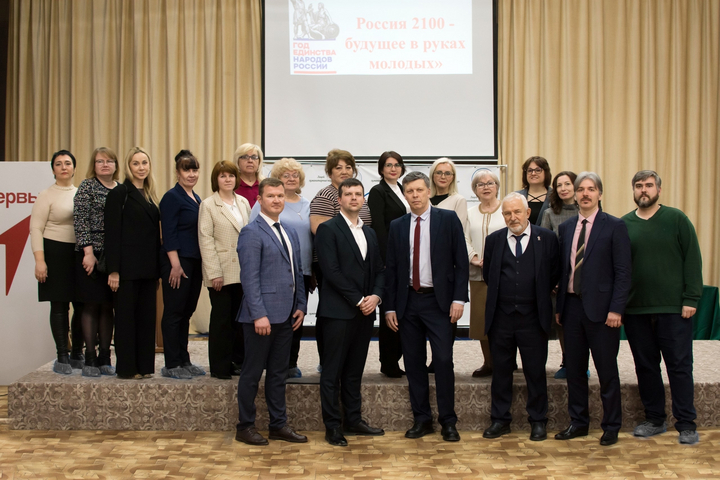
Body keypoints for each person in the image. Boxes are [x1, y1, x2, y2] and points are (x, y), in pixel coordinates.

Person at [384, 171, 468, 443]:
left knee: (443, 360)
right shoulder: (397, 225)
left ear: (428, 191)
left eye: (419, 190)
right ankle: (422, 419)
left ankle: (448, 421)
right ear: (404, 195)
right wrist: (390, 307)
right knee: (413, 362)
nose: (415, 195)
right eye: (410, 191)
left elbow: (461, 261)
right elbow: (392, 268)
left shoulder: (448, 219)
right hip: (408, 302)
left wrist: (459, 298)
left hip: (439, 302)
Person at [622, 170, 703, 445]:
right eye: (638, 185)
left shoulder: (676, 219)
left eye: (648, 185)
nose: (643, 190)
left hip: (674, 309)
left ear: (658, 189)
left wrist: (691, 298)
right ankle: (655, 419)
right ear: (633, 190)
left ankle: (686, 424)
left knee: (679, 366)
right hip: (636, 310)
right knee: (646, 367)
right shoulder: (624, 224)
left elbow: (692, 258)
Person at [554, 172, 631, 446]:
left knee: (607, 371)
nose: (585, 194)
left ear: (599, 194)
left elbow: (623, 272)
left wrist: (616, 309)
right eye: (581, 190)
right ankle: (578, 423)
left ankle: (611, 426)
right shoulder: (566, 228)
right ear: (575, 195)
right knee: (575, 371)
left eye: (591, 189)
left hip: (603, 312)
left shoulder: (615, 226)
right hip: (571, 308)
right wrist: (560, 307)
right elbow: (564, 271)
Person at [481, 192, 559, 441]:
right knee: (501, 371)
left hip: (533, 318)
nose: (512, 217)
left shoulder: (546, 238)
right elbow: (488, 274)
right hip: (501, 318)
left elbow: (553, 272)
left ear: (527, 213)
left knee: (535, 371)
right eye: (507, 213)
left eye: (517, 212)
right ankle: (500, 420)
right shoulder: (493, 240)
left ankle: (538, 420)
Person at [235, 178, 308, 446]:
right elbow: (249, 278)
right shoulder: (251, 232)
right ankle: (245, 426)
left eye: (280, 196)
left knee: (278, 374)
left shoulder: (288, 231)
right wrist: (259, 314)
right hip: (261, 318)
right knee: (252, 374)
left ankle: (278, 425)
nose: (276, 200)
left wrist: (300, 305)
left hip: (287, 315)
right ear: (259, 200)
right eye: (271, 196)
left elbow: (297, 272)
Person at [315, 178, 386, 446]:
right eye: (348, 194)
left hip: (365, 313)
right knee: (332, 372)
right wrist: (358, 299)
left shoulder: (369, 233)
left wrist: (376, 297)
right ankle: (333, 426)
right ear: (339, 200)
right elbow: (330, 271)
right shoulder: (328, 229)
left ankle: (353, 420)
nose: (354, 198)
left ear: (363, 200)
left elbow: (379, 269)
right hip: (338, 313)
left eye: (358, 194)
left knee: (354, 371)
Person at [250, 158, 313, 379]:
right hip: (273, 271)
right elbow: (254, 232)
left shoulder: (306, 203)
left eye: (295, 175)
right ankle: (272, 364)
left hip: (302, 270)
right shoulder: (265, 203)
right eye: (286, 175)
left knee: (296, 319)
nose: (291, 178)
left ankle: (290, 363)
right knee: (275, 319)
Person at [310, 149, 372, 370]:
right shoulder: (326, 195)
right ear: (329, 172)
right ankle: (327, 360)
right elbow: (319, 230)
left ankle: (347, 358)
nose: (344, 171)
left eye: (348, 167)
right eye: (338, 167)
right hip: (333, 264)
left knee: (352, 314)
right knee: (333, 314)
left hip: (358, 263)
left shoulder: (358, 196)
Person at [104, 147, 161, 379]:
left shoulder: (151, 195)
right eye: (136, 163)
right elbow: (112, 234)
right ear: (128, 167)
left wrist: (157, 270)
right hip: (126, 270)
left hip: (147, 270)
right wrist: (113, 270)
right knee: (126, 320)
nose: (141, 167)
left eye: (144, 163)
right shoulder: (120, 193)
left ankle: (145, 367)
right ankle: (127, 368)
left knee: (146, 320)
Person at [30, 150, 84, 374]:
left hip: (80, 254)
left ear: (74, 168)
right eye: (59, 164)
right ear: (53, 169)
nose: (64, 167)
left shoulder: (81, 193)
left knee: (82, 305)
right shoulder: (46, 195)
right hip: (54, 253)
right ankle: (62, 355)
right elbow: (35, 228)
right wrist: (39, 261)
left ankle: (77, 353)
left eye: (68, 163)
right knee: (60, 306)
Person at [198, 161, 251, 380]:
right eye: (222, 176)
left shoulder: (243, 202)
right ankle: (219, 367)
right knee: (221, 321)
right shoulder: (209, 205)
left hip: (242, 271)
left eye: (231, 175)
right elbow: (206, 240)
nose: (227, 179)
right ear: (216, 180)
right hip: (221, 271)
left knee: (239, 321)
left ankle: (235, 362)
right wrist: (214, 273)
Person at [159, 150, 206, 380]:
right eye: (187, 170)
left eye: (195, 170)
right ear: (177, 172)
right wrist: (175, 265)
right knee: (174, 312)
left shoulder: (196, 198)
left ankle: (184, 359)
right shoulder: (171, 197)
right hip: (177, 262)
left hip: (194, 262)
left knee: (186, 313)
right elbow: (168, 233)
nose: (191, 174)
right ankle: (172, 363)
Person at [73, 147, 118, 377]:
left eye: (109, 161)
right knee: (91, 305)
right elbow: (81, 221)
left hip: (113, 257)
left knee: (107, 306)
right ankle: (90, 358)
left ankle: (104, 358)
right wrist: (88, 253)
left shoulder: (121, 189)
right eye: (100, 161)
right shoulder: (87, 186)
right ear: (94, 165)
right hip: (90, 254)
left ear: (116, 165)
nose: (105, 165)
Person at [367, 151, 409, 378]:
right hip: (390, 259)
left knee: (404, 310)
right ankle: (388, 361)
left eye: (397, 165)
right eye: (388, 165)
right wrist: (386, 260)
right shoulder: (378, 191)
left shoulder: (404, 189)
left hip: (408, 258)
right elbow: (379, 228)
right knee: (390, 310)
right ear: (381, 169)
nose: (393, 169)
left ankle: (399, 357)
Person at [427, 157, 468, 371]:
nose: (443, 176)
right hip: (423, 269)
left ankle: (440, 361)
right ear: (432, 175)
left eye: (447, 173)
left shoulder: (457, 200)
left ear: (453, 177)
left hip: (445, 269)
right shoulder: (423, 198)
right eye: (439, 172)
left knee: (446, 319)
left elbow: (458, 236)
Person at [465, 170, 505, 378]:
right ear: (475, 190)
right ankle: (489, 363)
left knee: (504, 320)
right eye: (480, 184)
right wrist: (473, 257)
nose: (486, 187)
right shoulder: (469, 213)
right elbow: (463, 238)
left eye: (490, 183)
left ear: (497, 186)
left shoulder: (506, 209)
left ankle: (506, 361)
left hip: (505, 275)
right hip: (478, 275)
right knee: (482, 321)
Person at [541, 171, 579, 379]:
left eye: (567, 184)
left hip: (582, 278)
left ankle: (580, 361)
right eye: (559, 185)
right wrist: (552, 280)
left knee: (581, 324)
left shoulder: (587, 210)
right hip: (557, 278)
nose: (563, 188)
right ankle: (567, 360)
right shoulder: (550, 213)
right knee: (562, 322)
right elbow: (543, 249)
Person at [516, 156, 552, 226]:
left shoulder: (555, 196)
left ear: (546, 172)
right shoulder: (516, 197)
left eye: (538, 170)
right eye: (530, 170)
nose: (533, 173)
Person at [233, 143, 264, 208]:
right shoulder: (232, 185)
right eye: (245, 157)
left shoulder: (265, 184)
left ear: (259, 161)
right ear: (237, 161)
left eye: (254, 157)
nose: (250, 161)